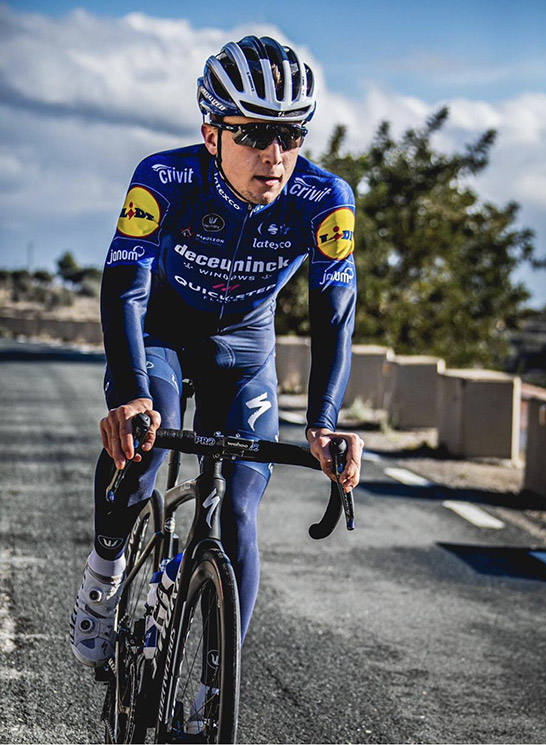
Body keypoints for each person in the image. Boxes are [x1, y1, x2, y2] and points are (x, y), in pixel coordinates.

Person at [70, 35, 363, 669]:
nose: (275, 154)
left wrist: (325, 424)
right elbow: (124, 287)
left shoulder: (324, 199)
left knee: (238, 508)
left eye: (291, 134)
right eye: (254, 134)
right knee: (146, 445)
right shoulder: (163, 178)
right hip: (163, 334)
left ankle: (212, 688)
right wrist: (130, 396)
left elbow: (333, 312)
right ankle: (104, 571)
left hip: (244, 348)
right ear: (212, 134)